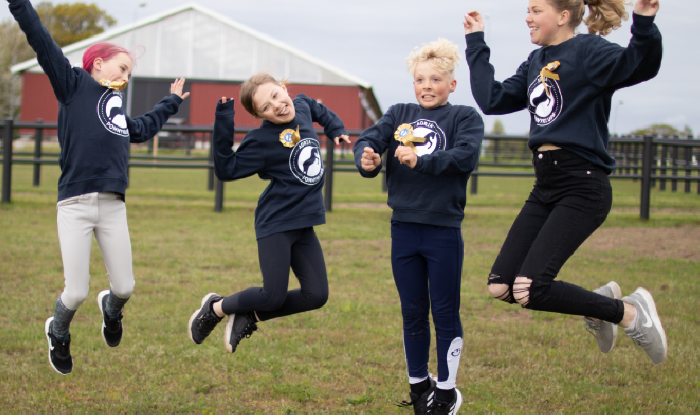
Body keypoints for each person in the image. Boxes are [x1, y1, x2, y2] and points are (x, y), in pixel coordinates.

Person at [463, 0, 666, 364]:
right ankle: (599, 305)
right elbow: (492, 100)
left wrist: (645, 22)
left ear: (562, 16)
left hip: (583, 185)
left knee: (530, 289)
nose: (528, 16)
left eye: (536, 9)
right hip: (546, 185)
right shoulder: (535, 62)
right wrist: (476, 42)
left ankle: (630, 313)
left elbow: (639, 64)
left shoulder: (587, 49)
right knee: (501, 286)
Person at [8, 0, 189, 375]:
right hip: (74, 204)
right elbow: (40, 39)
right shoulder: (72, 84)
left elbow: (140, 129)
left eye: (129, 71)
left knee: (124, 286)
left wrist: (170, 103)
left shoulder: (117, 106)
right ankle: (58, 331)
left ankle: (112, 311)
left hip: (112, 206)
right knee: (75, 292)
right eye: (123, 66)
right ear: (98, 63)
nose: (126, 73)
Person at [354, 38, 484, 414]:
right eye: (420, 79)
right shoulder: (398, 113)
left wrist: (420, 161)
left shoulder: (465, 118)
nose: (427, 86)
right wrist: (366, 158)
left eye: (436, 79)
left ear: (452, 85)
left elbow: (464, 157)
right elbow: (369, 141)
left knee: (444, 313)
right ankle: (418, 388)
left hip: (442, 231)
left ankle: (446, 392)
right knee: (412, 312)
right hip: (403, 230)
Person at [188, 74, 350, 354]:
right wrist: (225, 120)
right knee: (271, 295)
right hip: (276, 224)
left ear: (284, 88)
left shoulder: (300, 106)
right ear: (258, 115)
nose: (275, 105)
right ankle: (214, 308)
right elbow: (226, 170)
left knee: (317, 295)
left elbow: (315, 106)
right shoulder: (262, 140)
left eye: (276, 95)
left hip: (304, 223)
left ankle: (249, 316)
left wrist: (335, 129)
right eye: (265, 107)